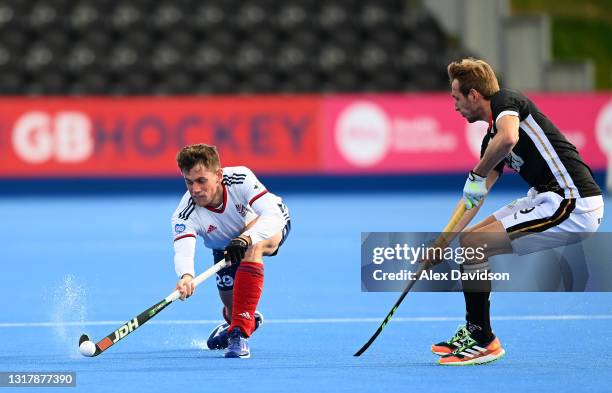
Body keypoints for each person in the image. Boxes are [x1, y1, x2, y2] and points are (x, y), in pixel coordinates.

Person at [430, 58, 604, 365]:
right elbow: (475, 197)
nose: (454, 106)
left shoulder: (507, 102)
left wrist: (476, 174)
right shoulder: (491, 139)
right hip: (546, 198)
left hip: (573, 203)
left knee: (473, 246)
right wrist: (441, 243)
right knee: (469, 241)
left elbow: (509, 137)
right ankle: (476, 331)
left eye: (456, 98)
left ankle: (484, 340)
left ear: (474, 96)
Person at [171, 143, 291, 358]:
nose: (195, 189)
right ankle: (239, 320)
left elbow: (273, 215)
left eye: (201, 181)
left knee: (252, 248)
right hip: (223, 247)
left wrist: (246, 238)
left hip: (262, 227)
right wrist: (186, 276)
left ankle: (239, 334)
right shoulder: (184, 214)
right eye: (189, 182)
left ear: (218, 175)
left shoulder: (240, 178)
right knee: (232, 309)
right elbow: (183, 251)